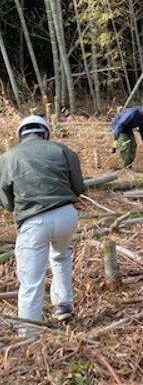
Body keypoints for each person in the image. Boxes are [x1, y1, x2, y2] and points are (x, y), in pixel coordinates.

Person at [0, 116, 85, 336]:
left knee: (31, 279)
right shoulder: (63, 150)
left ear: (21, 135)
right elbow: (78, 187)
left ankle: (29, 332)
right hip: (66, 215)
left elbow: (7, 202)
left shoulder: (7, 158)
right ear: (46, 133)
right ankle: (63, 304)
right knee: (61, 256)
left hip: (33, 221)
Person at [111, 97, 143, 168]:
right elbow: (119, 125)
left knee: (133, 146)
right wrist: (115, 142)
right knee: (126, 145)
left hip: (128, 128)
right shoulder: (132, 113)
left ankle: (129, 164)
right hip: (119, 127)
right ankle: (125, 166)